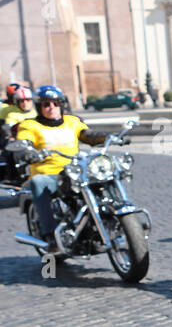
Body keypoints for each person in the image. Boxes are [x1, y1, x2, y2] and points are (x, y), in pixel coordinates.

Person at [14, 85, 112, 252]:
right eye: (46, 104)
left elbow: (86, 135)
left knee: (106, 176)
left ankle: (112, 217)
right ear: (39, 107)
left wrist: (106, 137)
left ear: (62, 105)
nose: (51, 108)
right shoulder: (30, 125)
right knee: (38, 182)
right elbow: (24, 142)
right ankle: (50, 234)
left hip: (75, 171)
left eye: (55, 103)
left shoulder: (72, 121)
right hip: (49, 174)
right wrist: (27, 151)